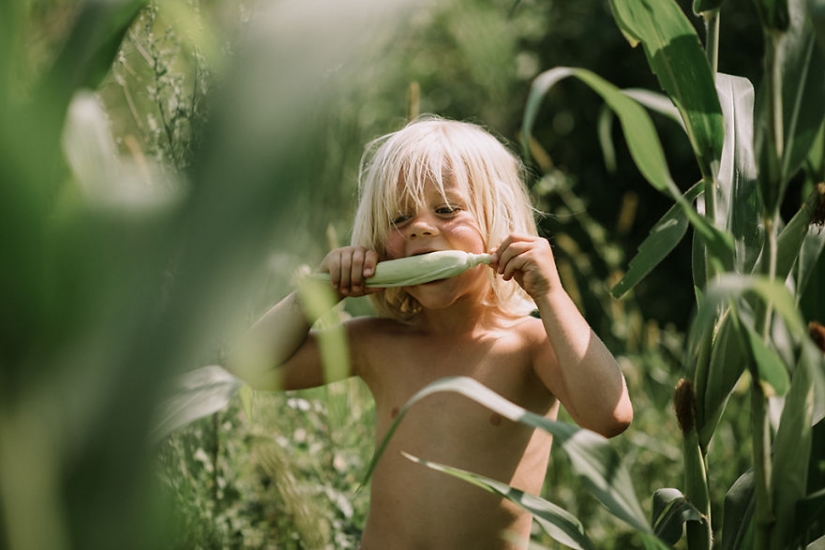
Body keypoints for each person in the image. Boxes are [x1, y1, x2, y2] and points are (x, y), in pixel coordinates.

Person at [229, 116, 633, 549]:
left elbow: (609, 416)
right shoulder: (378, 342)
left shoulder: (528, 346)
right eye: (400, 218)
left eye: (446, 210)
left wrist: (551, 294)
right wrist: (316, 293)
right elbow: (249, 366)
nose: (421, 227)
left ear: (498, 221)